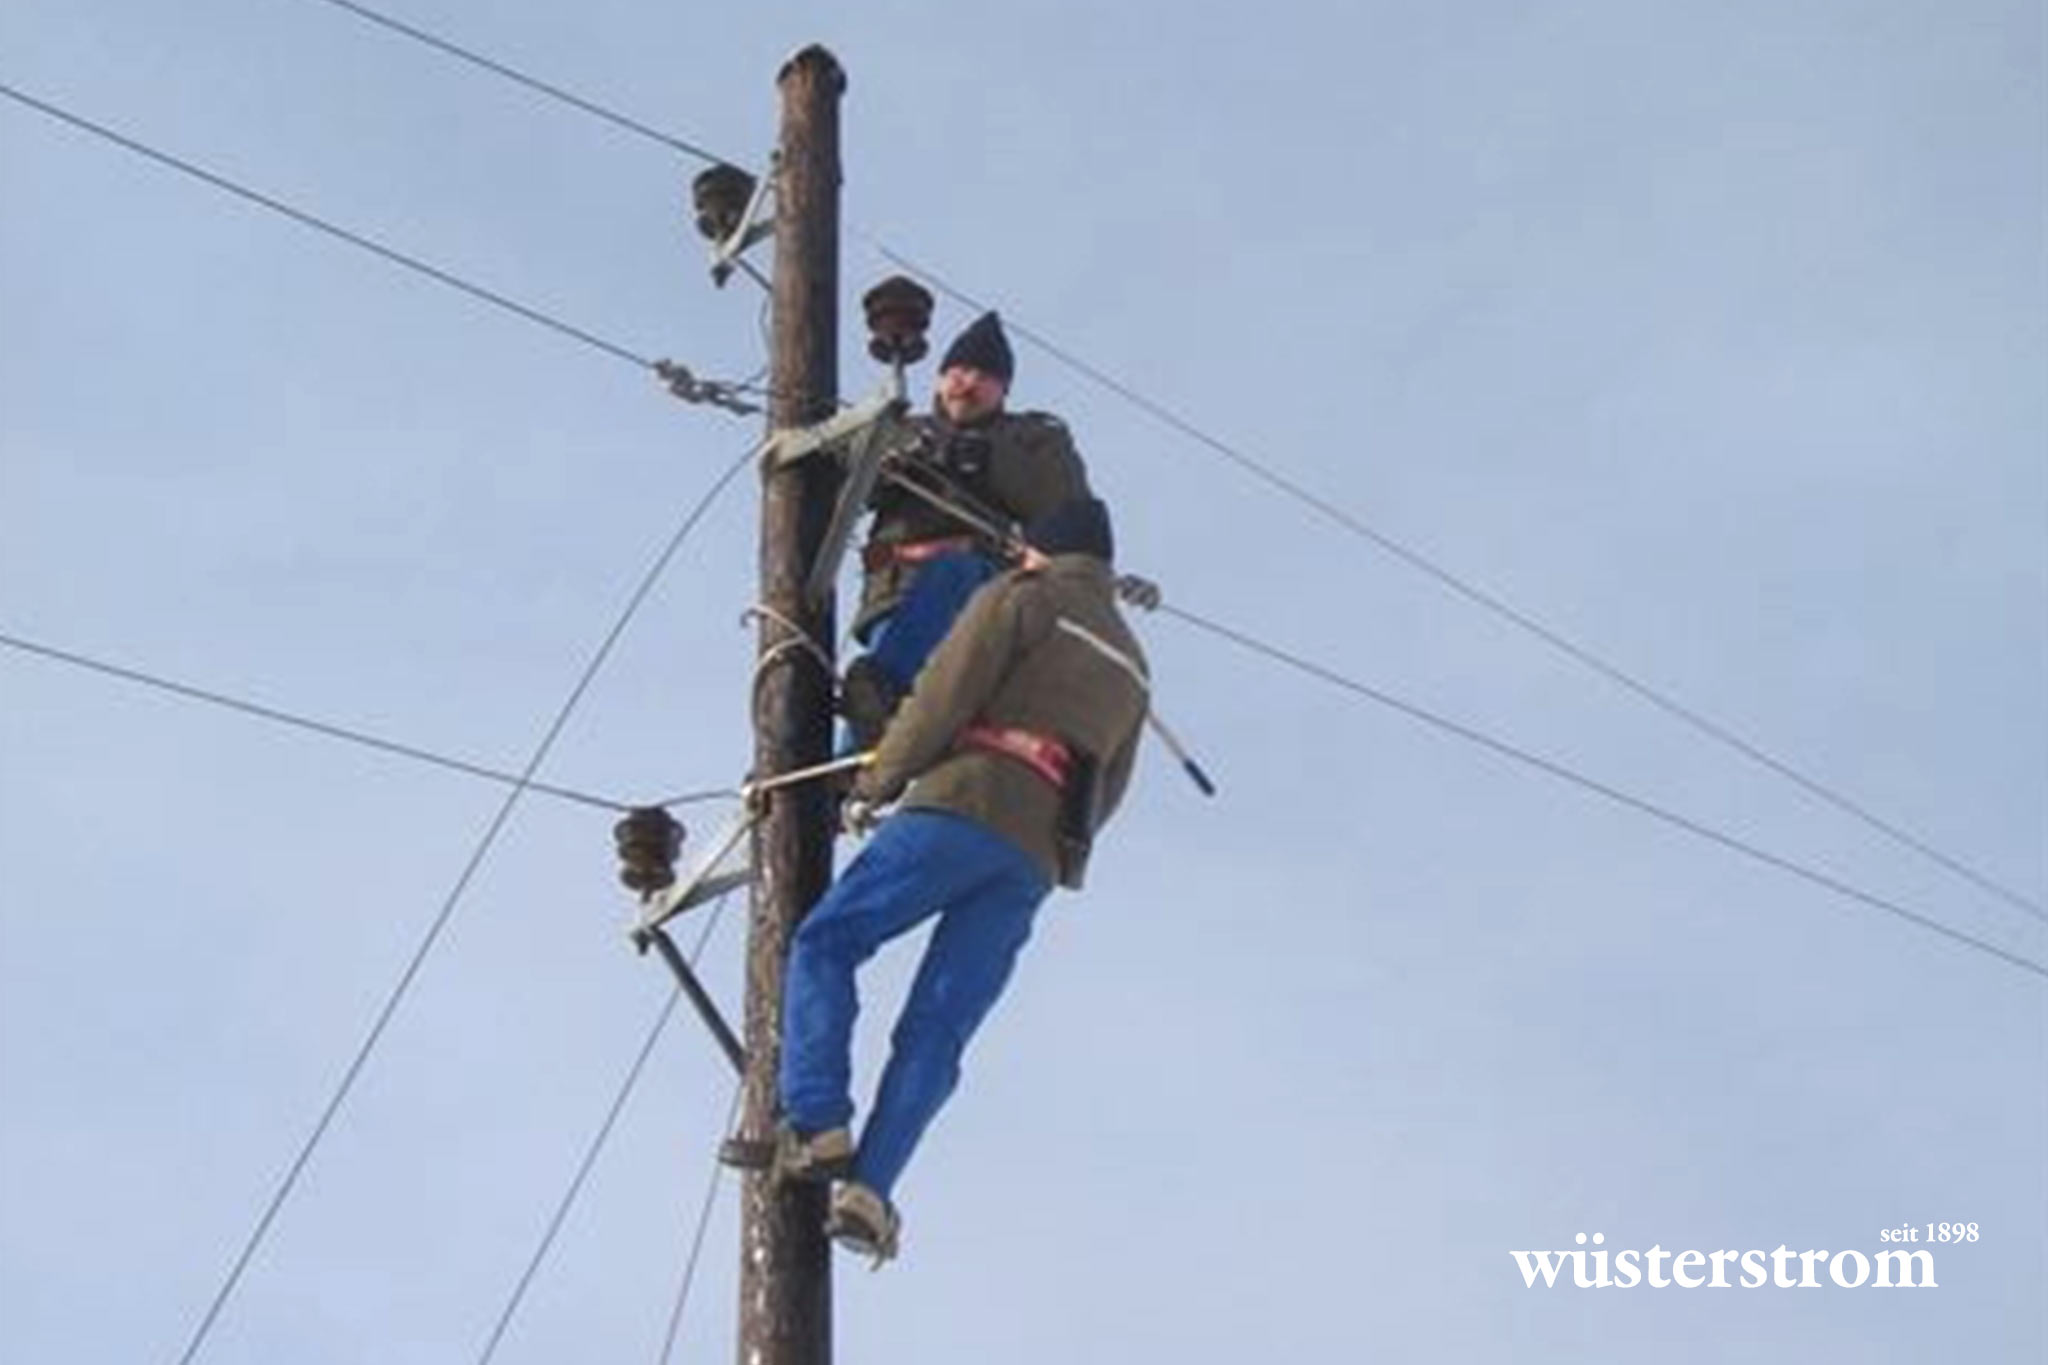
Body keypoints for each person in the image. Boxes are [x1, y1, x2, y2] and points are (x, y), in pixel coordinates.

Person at [779, 497, 1150, 1263]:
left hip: (964, 799)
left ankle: (817, 1121)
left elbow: (944, 691)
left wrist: (877, 780)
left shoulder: (1021, 597)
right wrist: (1057, 857)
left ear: (1041, 550)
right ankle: (870, 1189)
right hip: (1034, 856)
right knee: (940, 1026)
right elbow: (1111, 787)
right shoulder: (1131, 660)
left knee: (828, 939)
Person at [841, 309, 1092, 748]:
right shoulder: (902, 431)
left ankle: (879, 708)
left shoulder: (1029, 439)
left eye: (982, 376)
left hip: (983, 592)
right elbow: (847, 491)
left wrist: (980, 459)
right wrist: (884, 461)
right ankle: (828, 781)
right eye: (956, 371)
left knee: (955, 584)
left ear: (1003, 390)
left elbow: (1064, 509)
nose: (966, 383)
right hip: (899, 592)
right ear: (939, 379)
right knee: (880, 704)